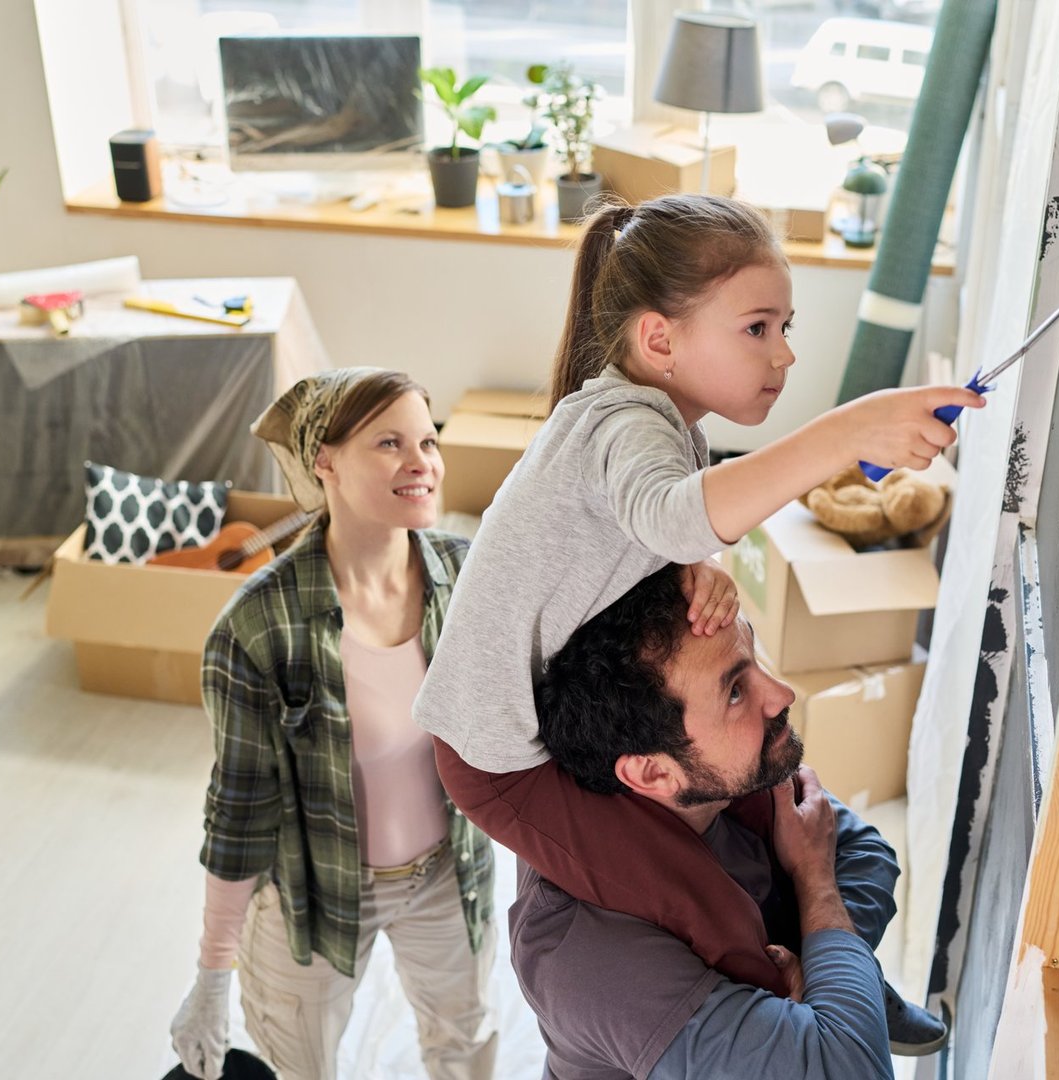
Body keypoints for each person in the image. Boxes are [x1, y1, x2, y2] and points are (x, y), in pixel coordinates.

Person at [415, 193, 974, 1052]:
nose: (784, 353)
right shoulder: (618, 419)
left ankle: (848, 974)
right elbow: (670, 515)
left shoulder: (662, 425)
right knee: (692, 892)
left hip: (544, 705)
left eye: (785, 326)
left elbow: (634, 536)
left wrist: (693, 568)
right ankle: (799, 1000)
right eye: (757, 328)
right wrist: (845, 433)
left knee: (756, 798)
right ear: (660, 339)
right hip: (497, 759)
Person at [168, 369, 497, 1080]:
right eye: (389, 443)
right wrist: (213, 971)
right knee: (306, 1064)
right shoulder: (258, 627)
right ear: (327, 464)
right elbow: (239, 816)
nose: (422, 464)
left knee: (465, 1046)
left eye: (428, 442)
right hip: (312, 896)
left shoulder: (467, 579)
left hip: (447, 875)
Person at [513, 565, 903, 1079]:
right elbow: (851, 1069)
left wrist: (815, 972)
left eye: (752, 656)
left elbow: (867, 852)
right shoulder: (584, 951)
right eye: (735, 692)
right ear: (652, 770)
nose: (781, 694)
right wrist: (813, 881)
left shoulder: (721, 776)